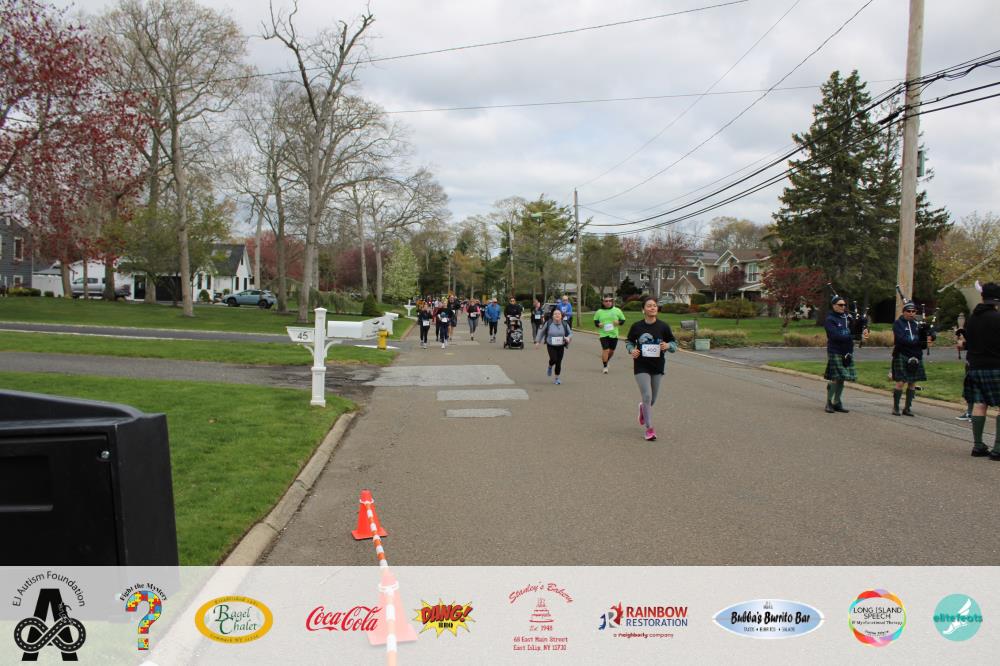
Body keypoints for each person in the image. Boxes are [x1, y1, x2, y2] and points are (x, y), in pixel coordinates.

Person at [625, 295, 676, 441]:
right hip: (641, 364)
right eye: (649, 306)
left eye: (654, 305)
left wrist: (668, 345)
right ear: (643, 310)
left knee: (652, 400)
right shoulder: (637, 326)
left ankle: (643, 407)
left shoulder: (663, 326)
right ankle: (649, 429)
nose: (652, 308)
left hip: (657, 365)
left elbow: (673, 344)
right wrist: (631, 350)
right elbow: (629, 341)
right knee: (647, 395)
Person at [960, 282, 1000, 458]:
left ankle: (978, 446)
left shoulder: (972, 319)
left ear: (983, 297)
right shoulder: (997, 318)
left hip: (975, 367)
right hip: (996, 366)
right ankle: (998, 449)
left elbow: (967, 342)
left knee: (979, 404)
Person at [824, 294, 867, 413]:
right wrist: (852, 336)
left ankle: (837, 402)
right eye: (840, 305)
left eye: (844, 305)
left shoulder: (848, 318)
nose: (843, 307)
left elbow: (855, 330)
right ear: (834, 305)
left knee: (842, 378)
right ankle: (828, 402)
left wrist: (862, 322)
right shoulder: (830, 319)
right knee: (835, 377)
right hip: (835, 350)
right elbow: (835, 336)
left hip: (847, 350)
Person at [891, 301, 934, 416]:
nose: (911, 313)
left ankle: (907, 408)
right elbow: (901, 339)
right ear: (904, 312)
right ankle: (896, 408)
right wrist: (918, 341)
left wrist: (930, 335)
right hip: (902, 354)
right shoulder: (898, 324)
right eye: (908, 311)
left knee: (912, 382)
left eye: (913, 311)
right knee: (900, 382)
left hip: (916, 355)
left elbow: (928, 336)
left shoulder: (918, 324)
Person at [535, 307, 572, 384]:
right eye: (555, 314)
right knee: (554, 359)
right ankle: (550, 366)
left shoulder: (565, 324)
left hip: (561, 346)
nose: (557, 315)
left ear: (561, 316)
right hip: (551, 345)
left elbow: (570, 333)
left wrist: (568, 338)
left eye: (559, 314)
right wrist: (538, 341)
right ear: (552, 316)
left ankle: (557, 378)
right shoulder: (548, 323)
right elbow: (542, 332)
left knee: (559, 362)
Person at [593, 295, 626, 374]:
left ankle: (606, 360)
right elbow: (596, 321)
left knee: (611, 351)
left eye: (610, 301)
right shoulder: (599, 312)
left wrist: (618, 322)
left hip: (614, 334)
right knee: (606, 350)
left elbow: (623, 320)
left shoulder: (617, 310)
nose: (608, 302)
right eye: (606, 301)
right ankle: (605, 367)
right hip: (603, 334)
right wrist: (598, 324)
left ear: (612, 302)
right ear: (603, 302)